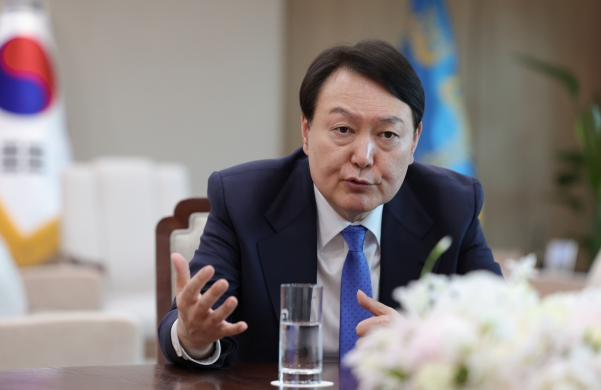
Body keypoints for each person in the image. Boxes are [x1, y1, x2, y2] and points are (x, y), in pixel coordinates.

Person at [158, 39, 502, 369]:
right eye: (343, 129)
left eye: (387, 135)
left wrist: (420, 343)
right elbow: (194, 321)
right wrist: (194, 338)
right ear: (307, 132)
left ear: (414, 143)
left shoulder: (451, 206)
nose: (363, 157)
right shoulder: (245, 200)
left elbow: (502, 331)